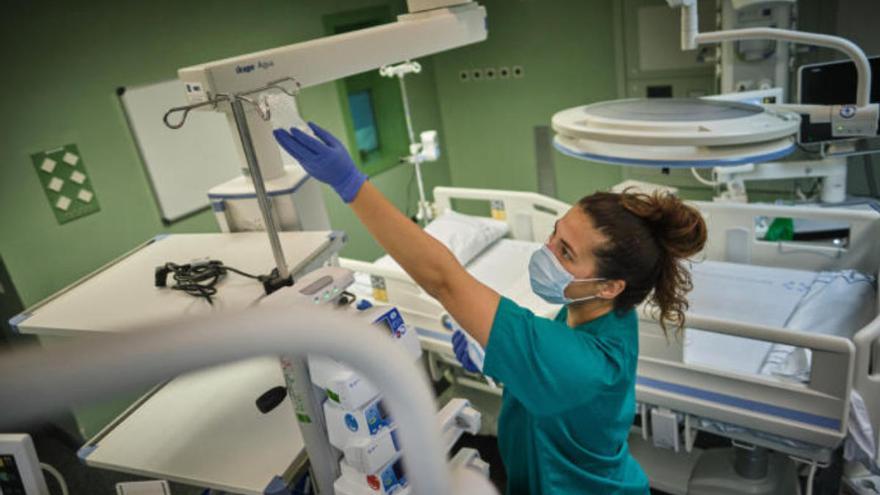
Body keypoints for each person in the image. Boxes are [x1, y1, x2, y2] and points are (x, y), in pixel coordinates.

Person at [274, 122, 708, 495]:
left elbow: (445, 279)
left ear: (612, 285)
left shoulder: (583, 365)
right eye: (554, 235)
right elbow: (555, 383)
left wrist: (351, 184)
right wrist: (503, 367)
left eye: (567, 252)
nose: (547, 252)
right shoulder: (604, 315)